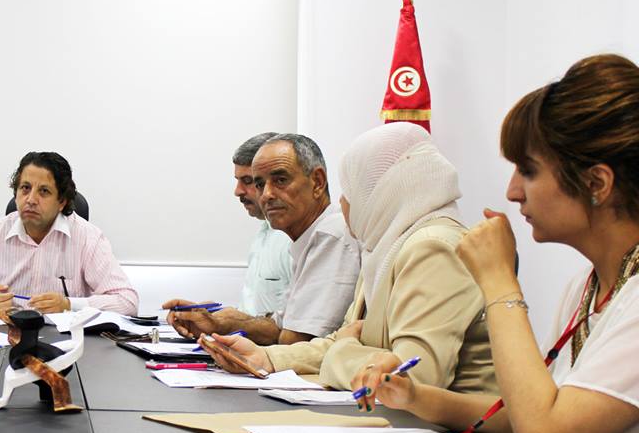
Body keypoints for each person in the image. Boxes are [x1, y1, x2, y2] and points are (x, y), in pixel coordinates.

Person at [354, 54, 639, 433]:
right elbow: (532, 413)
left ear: (596, 184)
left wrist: (498, 280)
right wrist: (416, 397)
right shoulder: (585, 288)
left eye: (528, 171)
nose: (513, 191)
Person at [206, 123, 495, 393]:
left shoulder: (432, 247)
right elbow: (341, 338)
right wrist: (265, 358)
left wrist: (342, 353)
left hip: (454, 427)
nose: (343, 202)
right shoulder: (385, 249)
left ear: (383, 192)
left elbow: (412, 376)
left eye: (352, 190)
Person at [165, 134, 359, 345]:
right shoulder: (303, 236)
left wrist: (233, 326)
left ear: (318, 182)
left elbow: (295, 342)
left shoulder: (331, 235)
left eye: (281, 180)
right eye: (259, 184)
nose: (266, 195)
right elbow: (279, 326)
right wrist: (218, 323)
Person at [0, 151, 138, 317]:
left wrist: (69, 305)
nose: (31, 199)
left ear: (62, 202)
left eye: (43, 191)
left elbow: (127, 302)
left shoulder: (88, 238)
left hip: (67, 343)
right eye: (25, 188)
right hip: (5, 340)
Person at [163, 133, 292, 321]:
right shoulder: (264, 234)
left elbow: (292, 327)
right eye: (238, 181)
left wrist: (224, 323)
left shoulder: (292, 238)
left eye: (248, 181)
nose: (237, 191)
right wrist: (211, 317)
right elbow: (253, 313)